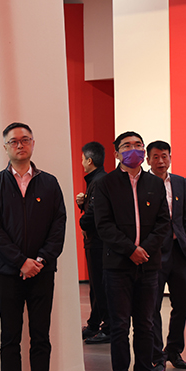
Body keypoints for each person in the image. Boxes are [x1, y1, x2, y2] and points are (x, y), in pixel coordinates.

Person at [0, 122, 68, 371]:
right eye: (13, 141)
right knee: (10, 336)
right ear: (5, 147)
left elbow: (59, 226)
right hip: (8, 272)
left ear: (33, 143)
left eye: (25, 140)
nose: (20, 145)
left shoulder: (49, 183)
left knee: (41, 335)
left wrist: (39, 260)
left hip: (42, 271)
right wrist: (21, 262)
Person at [94, 131, 171, 371]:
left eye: (138, 145)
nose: (133, 149)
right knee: (119, 326)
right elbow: (103, 225)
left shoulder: (155, 183)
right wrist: (130, 250)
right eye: (127, 146)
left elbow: (164, 222)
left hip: (148, 265)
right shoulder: (106, 184)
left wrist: (144, 250)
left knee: (145, 324)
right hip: (117, 265)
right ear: (117, 153)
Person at [146, 141, 186, 371]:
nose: (161, 161)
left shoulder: (180, 182)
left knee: (182, 304)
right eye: (155, 157)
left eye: (164, 156)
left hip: (180, 252)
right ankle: (157, 357)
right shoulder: (143, 184)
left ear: (170, 158)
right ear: (148, 160)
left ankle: (174, 350)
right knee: (152, 306)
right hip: (154, 254)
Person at [77, 141, 111, 344]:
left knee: (101, 285)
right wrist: (82, 205)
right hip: (96, 241)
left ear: (89, 161)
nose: (81, 162)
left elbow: (95, 213)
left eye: (82, 159)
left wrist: (82, 221)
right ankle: (94, 324)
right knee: (96, 285)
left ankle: (108, 327)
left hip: (99, 242)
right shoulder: (97, 180)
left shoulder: (99, 181)